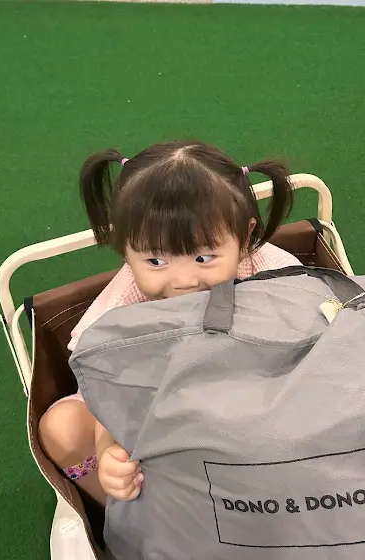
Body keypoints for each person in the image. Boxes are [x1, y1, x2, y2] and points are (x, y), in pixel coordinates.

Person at [38, 140, 302, 506]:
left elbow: (311, 334)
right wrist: (109, 449)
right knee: (61, 427)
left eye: (203, 257)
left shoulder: (272, 272)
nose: (183, 281)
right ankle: (125, 515)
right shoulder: (121, 307)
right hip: (153, 410)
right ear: (126, 250)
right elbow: (107, 381)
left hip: (253, 399)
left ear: (245, 238)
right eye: (156, 262)